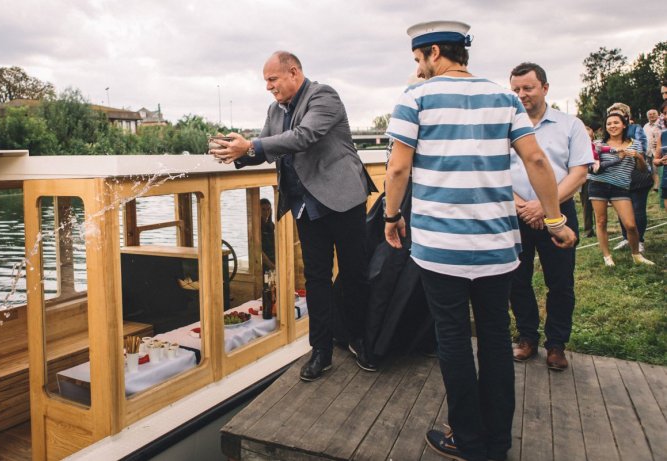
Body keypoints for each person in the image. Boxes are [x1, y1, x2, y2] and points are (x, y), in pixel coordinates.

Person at [384, 21, 576, 461]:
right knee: (493, 336)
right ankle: (498, 441)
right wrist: (554, 220)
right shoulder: (504, 97)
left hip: (440, 248)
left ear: (433, 52)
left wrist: (391, 218)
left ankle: (467, 439)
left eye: (418, 60)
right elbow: (535, 159)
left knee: (452, 338)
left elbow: (397, 169)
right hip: (496, 245)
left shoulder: (414, 98)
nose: (418, 69)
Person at [210, 51, 378, 381]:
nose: (268, 88)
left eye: (272, 80)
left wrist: (252, 146)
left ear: (294, 73)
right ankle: (322, 351)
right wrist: (234, 153)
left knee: (355, 273)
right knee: (315, 279)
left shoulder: (323, 96)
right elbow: (265, 147)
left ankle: (360, 340)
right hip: (305, 204)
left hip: (343, 200)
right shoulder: (275, 109)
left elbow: (303, 137)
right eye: (266, 82)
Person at [508, 62, 593, 371]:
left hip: (559, 212)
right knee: (517, 280)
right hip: (516, 213)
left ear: (545, 88)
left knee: (560, 282)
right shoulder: (504, 127)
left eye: (527, 88)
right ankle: (527, 337)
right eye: (515, 90)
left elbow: (579, 172)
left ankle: (556, 344)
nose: (521, 95)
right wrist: (523, 206)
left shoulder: (570, 125)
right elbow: (499, 173)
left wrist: (544, 207)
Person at [586, 112, 654, 266]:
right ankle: (607, 256)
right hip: (598, 185)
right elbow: (593, 167)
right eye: (609, 123)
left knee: (630, 224)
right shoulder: (598, 144)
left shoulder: (634, 144)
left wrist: (638, 156)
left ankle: (636, 255)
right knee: (601, 221)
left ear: (624, 125)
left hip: (621, 187)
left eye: (616, 123)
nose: (612, 126)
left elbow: (643, 170)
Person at [606, 103, 653, 253]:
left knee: (638, 209)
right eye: (611, 115)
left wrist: (629, 151)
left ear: (626, 116)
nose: (614, 120)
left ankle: (639, 240)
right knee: (622, 210)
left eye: (617, 114)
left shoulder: (635, 129)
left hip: (638, 176)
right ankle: (626, 238)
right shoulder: (608, 136)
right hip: (620, 177)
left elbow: (642, 149)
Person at [579, 125, 597, 236]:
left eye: (588, 136)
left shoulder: (596, 147)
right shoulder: (576, 148)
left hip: (595, 178)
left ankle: (601, 227)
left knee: (598, 204)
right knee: (586, 205)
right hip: (583, 179)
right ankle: (588, 229)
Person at [644, 109, 661, 190]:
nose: (652, 115)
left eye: (654, 113)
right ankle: (656, 185)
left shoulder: (661, 124)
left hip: (657, 151)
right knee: (650, 169)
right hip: (648, 151)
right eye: (650, 114)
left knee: (656, 169)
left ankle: (658, 186)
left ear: (657, 115)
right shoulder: (645, 126)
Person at [260, 198, 276, 271]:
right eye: (263, 209)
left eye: (268, 209)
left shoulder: (272, 225)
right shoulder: (257, 227)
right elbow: (259, 250)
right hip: (263, 262)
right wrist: (271, 265)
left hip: (273, 258)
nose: (266, 212)